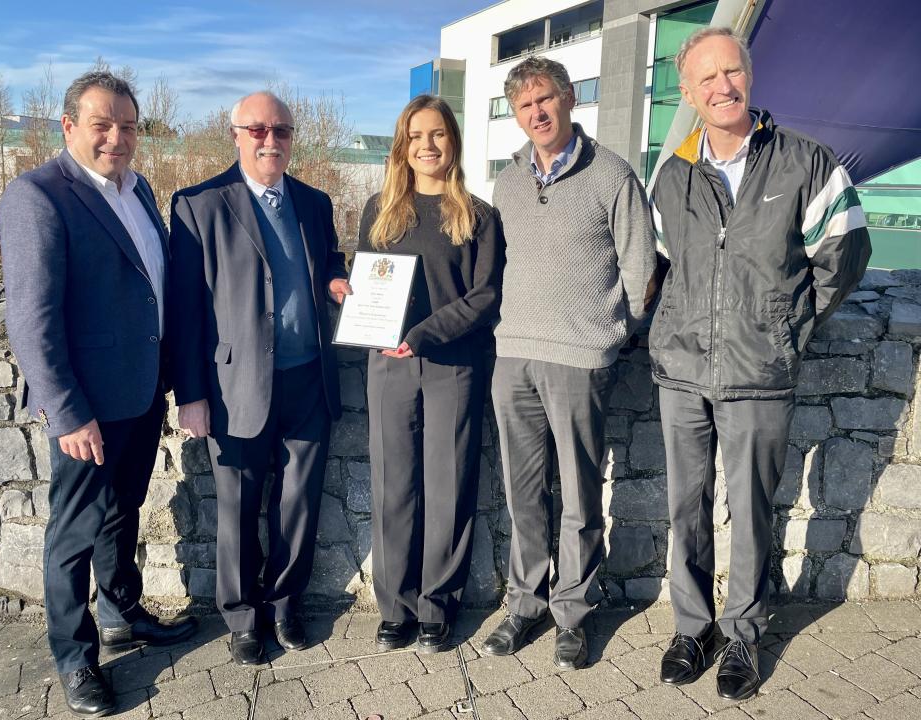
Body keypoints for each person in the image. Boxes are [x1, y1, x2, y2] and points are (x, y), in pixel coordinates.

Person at [649, 27, 871, 700]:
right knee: (685, 508)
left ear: (749, 78)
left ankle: (743, 634)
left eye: (732, 73)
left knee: (749, 511)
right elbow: (659, 265)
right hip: (681, 371)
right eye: (707, 78)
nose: (722, 87)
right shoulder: (673, 176)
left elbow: (847, 249)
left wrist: (788, 328)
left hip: (758, 372)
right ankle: (694, 628)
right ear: (687, 92)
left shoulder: (805, 163)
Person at [0, 71, 197, 717]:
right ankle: (76, 659)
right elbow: (31, 320)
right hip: (85, 407)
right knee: (75, 533)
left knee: (122, 515)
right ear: (69, 126)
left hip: (139, 395)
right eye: (103, 124)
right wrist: (68, 411)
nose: (118, 137)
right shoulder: (38, 197)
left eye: (129, 126)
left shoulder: (138, 192)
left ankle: (122, 614)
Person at [480, 56, 657, 670]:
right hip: (514, 356)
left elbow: (640, 268)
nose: (537, 112)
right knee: (523, 491)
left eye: (546, 99)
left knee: (580, 495)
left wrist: (613, 336)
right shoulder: (506, 184)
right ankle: (525, 605)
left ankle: (573, 615)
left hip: (580, 358)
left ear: (569, 98)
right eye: (525, 104)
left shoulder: (612, 174)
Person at [168, 91, 350, 666]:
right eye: (258, 130)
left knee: (298, 504)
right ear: (236, 134)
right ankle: (243, 616)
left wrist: (338, 279)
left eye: (282, 131)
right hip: (234, 385)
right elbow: (185, 309)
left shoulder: (315, 203)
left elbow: (331, 257)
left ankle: (284, 603)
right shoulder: (198, 205)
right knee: (239, 508)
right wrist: (191, 393)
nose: (271, 140)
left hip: (307, 380)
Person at [357, 95, 504, 654]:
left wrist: (422, 334)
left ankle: (438, 607)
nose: (427, 145)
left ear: (453, 141)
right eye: (416, 136)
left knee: (448, 488)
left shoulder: (478, 215)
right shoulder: (380, 209)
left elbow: (485, 297)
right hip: (387, 369)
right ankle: (395, 607)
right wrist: (353, 296)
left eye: (438, 134)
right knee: (394, 486)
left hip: (453, 366)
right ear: (402, 145)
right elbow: (370, 279)